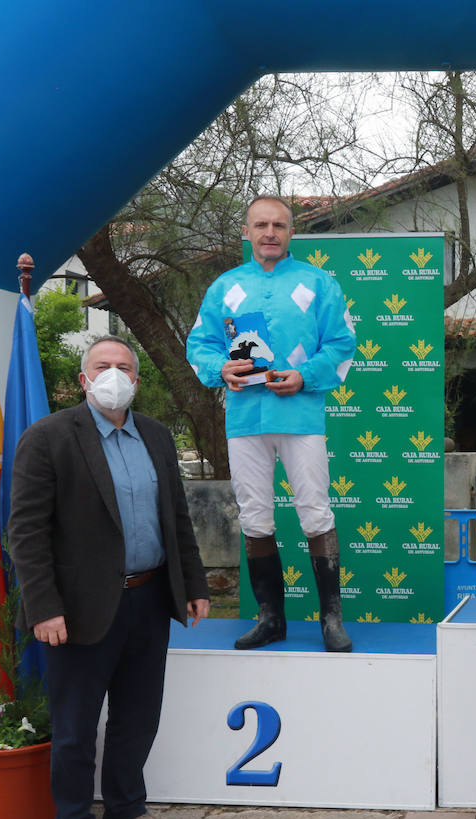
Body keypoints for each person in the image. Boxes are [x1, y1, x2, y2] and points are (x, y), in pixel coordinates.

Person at [8, 336, 211, 819]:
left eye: (124, 367)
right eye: (103, 366)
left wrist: (192, 583)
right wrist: (43, 606)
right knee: (75, 726)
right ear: (83, 379)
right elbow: (25, 533)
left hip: (149, 598)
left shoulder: (157, 437)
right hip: (77, 610)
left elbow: (177, 519)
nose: (114, 374)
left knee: (138, 715)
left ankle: (126, 811)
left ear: (137, 381)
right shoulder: (49, 437)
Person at [187, 195, 357, 652]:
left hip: (301, 415)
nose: (269, 233)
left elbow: (341, 342)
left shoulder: (319, 283)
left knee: (315, 511)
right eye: (260, 224)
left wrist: (306, 375)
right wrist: (220, 369)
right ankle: (271, 618)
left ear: (291, 232)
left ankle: (331, 620)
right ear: (247, 232)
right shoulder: (224, 287)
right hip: (245, 417)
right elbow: (200, 343)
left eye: (278, 225)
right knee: (255, 515)